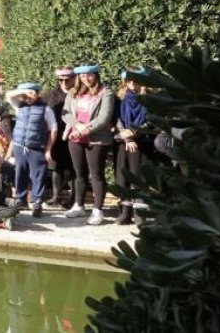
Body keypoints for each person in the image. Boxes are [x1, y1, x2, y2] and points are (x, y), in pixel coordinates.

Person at [62, 64, 116, 225]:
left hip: (97, 138)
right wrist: (77, 125)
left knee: (97, 175)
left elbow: (104, 117)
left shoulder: (106, 93)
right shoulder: (73, 93)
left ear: (96, 75)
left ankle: (98, 210)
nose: (86, 78)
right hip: (76, 138)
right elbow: (66, 113)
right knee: (79, 174)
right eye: (83, 76)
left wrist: (85, 129)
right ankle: (79, 205)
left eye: (89, 75)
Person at [8, 83, 57, 218]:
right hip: (20, 146)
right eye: (25, 94)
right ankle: (20, 199)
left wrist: (48, 149)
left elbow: (53, 129)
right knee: (20, 173)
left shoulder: (46, 109)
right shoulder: (19, 106)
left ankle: (37, 202)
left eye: (31, 93)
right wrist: (23, 91)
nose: (27, 97)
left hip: (37, 147)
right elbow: (8, 95)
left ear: (37, 93)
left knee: (38, 176)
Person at [115, 67, 153, 225]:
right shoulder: (121, 98)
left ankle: (140, 213)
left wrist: (134, 133)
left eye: (136, 80)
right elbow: (117, 119)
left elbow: (150, 121)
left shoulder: (150, 99)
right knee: (122, 177)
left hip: (142, 143)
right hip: (124, 142)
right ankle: (125, 211)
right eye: (129, 80)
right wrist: (127, 137)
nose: (132, 83)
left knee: (139, 177)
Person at [43, 66, 77, 206]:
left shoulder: (79, 94)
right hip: (55, 135)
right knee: (56, 167)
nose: (63, 83)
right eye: (60, 80)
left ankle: (74, 198)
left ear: (74, 79)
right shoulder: (49, 95)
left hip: (74, 135)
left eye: (67, 80)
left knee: (74, 168)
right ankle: (56, 196)